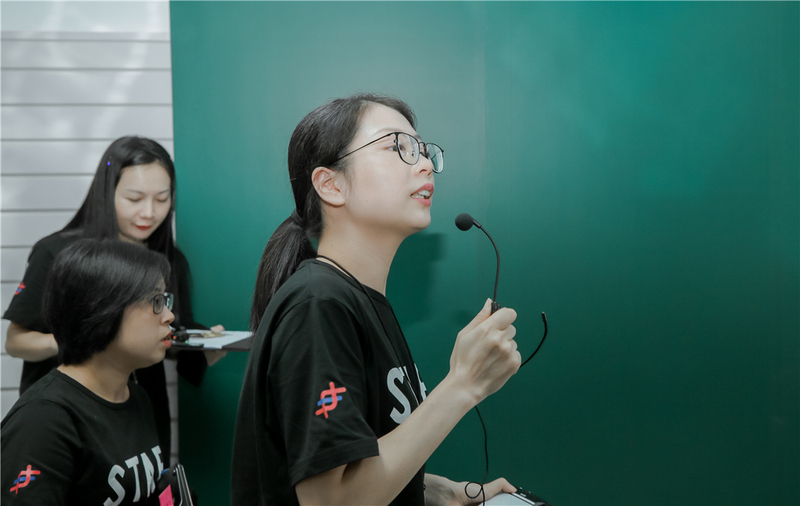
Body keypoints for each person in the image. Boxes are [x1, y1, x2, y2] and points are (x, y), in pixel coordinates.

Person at [232, 94, 521, 505]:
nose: (424, 164)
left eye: (423, 150)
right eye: (397, 146)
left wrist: (435, 491)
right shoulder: (319, 304)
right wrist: (462, 385)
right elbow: (333, 500)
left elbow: (361, 462)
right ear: (331, 185)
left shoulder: (357, 300)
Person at [2, 136, 225, 461]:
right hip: (73, 416)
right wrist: (84, 339)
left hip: (143, 414)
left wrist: (202, 347)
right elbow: (16, 341)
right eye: (135, 198)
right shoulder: (60, 254)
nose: (149, 212)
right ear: (107, 192)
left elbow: (168, 335)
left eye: (162, 199)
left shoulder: (169, 259)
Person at [2, 239, 174, 505]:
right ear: (102, 309)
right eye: (156, 300)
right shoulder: (43, 420)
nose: (169, 315)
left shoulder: (137, 398)